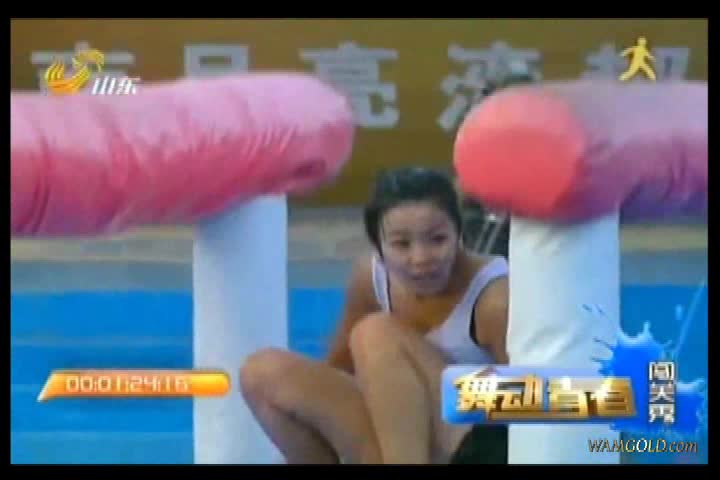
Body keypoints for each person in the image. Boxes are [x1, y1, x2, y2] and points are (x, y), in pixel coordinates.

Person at [239, 167, 510, 464]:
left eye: (437, 239)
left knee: (376, 334)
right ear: (378, 248)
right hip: (403, 443)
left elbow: (535, 401)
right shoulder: (371, 279)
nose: (421, 258)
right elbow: (339, 369)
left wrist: (429, 384)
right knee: (262, 373)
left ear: (459, 236)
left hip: (479, 444)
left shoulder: (494, 299)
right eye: (401, 244)